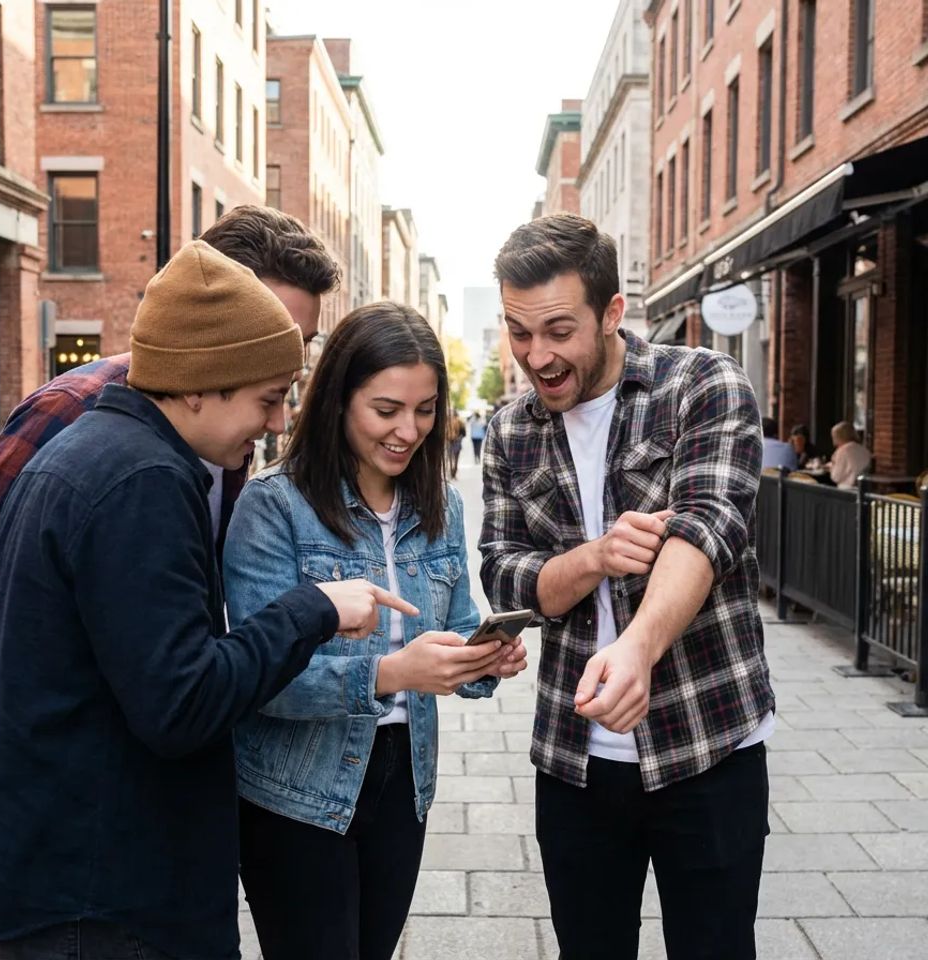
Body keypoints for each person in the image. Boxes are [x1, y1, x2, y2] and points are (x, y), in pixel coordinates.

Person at [0, 241, 415, 960]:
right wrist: (314, 609)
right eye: (267, 399)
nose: (275, 425)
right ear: (200, 384)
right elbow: (182, 703)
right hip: (100, 896)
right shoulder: (142, 480)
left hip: (68, 876)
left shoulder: (99, 453)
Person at [479, 214, 774, 960]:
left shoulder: (701, 386)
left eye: (557, 330)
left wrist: (639, 649)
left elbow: (707, 528)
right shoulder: (510, 431)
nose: (536, 356)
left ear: (612, 313)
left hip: (708, 743)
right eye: (518, 332)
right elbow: (506, 576)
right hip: (576, 759)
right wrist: (594, 558)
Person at [223, 302, 528, 960]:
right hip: (295, 790)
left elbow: (456, 626)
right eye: (385, 410)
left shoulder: (440, 502)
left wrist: (482, 661)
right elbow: (257, 678)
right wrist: (393, 674)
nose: (408, 430)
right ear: (337, 399)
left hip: (401, 780)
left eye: (424, 410)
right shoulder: (275, 506)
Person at [0, 204, 340, 636]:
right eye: (269, 331)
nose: (285, 361)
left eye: (302, 342)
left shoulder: (237, 426)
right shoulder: (72, 406)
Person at [828, 420, 872, 488]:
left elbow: (836, 477)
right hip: (863, 489)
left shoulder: (842, 451)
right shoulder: (864, 450)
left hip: (847, 490)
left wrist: (831, 468)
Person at [447, 409, 466, 477]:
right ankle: (454, 472)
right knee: (456, 458)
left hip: (449, 441)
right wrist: (458, 438)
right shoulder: (460, 422)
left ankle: (451, 471)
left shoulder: (447, 422)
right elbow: (464, 433)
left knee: (450, 458)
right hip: (457, 442)